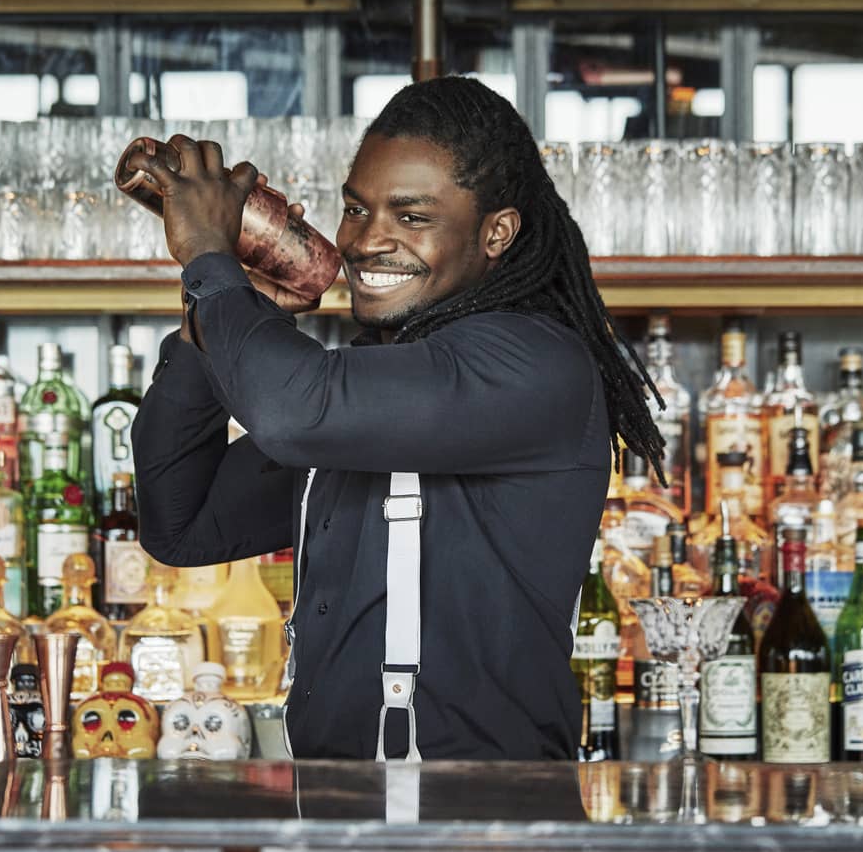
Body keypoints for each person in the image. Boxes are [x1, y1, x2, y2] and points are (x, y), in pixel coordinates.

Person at [129, 76, 666, 760]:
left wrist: (210, 260)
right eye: (357, 209)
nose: (365, 241)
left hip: (484, 826)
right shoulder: (368, 388)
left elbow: (294, 408)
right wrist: (208, 320)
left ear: (496, 232)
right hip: (342, 816)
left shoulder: (531, 364)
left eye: (411, 217)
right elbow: (181, 521)